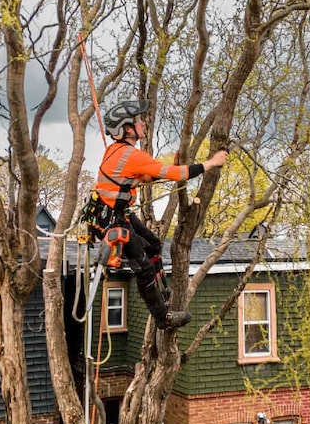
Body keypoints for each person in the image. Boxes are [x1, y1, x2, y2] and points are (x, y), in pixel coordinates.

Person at [87, 100, 227, 329]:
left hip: (114, 213)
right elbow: (179, 175)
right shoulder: (131, 155)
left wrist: (165, 170)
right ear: (127, 128)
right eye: (138, 120)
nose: (143, 123)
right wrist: (211, 163)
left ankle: (161, 290)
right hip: (110, 220)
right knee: (144, 267)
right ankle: (163, 318)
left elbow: (141, 176)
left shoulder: (117, 151)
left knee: (152, 243)